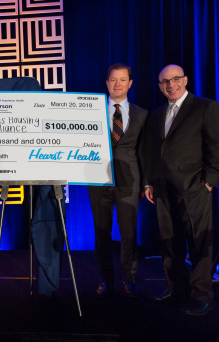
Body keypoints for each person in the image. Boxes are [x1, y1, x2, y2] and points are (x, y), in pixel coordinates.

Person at [143, 64, 219, 315]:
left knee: (199, 242)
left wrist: (209, 180)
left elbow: (217, 145)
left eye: (176, 79)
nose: (171, 85)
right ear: (160, 86)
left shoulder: (205, 106)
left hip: (194, 188)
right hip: (162, 188)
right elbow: (150, 150)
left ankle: (202, 295)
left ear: (185, 80)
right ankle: (175, 288)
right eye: (165, 82)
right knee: (170, 242)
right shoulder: (157, 114)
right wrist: (148, 181)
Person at [87, 63, 148, 298]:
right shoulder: (91, 112)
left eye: (122, 80)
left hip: (129, 182)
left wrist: (146, 183)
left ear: (130, 83)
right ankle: (105, 278)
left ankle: (129, 278)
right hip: (98, 180)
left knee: (129, 233)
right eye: (113, 80)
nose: (117, 84)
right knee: (101, 232)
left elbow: (145, 153)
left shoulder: (142, 115)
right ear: (107, 83)